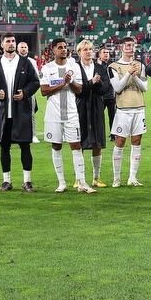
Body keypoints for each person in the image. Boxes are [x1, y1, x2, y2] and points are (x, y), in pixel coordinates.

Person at [0, 33, 40, 192]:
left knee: (25, 146)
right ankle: (6, 181)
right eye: (7, 41)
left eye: (13, 41)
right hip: (3, 114)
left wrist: (25, 92)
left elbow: (35, 82)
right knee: (4, 147)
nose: (11, 44)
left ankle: (27, 181)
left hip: (21, 111)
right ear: (2, 45)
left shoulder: (25, 63)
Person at [41, 38, 93, 193]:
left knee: (76, 146)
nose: (64, 49)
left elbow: (79, 90)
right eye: (60, 47)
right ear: (53, 50)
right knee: (56, 146)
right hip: (53, 115)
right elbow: (44, 91)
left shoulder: (74, 67)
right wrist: (62, 84)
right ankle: (61, 183)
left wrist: (70, 82)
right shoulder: (47, 68)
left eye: (65, 47)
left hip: (71, 113)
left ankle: (82, 183)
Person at [109, 36, 149, 186]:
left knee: (136, 141)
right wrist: (128, 73)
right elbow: (117, 88)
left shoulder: (140, 66)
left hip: (139, 108)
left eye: (133, 45)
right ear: (121, 47)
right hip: (123, 109)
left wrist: (134, 76)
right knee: (120, 142)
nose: (131, 48)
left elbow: (145, 87)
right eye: (128, 45)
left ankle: (132, 177)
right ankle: (117, 178)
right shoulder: (113, 66)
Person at [75, 40, 112, 188]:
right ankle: (79, 178)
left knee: (97, 141)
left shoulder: (100, 68)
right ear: (79, 53)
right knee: (80, 141)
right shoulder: (75, 68)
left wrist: (96, 83)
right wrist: (92, 82)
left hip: (97, 106)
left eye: (90, 49)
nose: (88, 51)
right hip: (80, 106)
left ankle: (96, 178)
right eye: (85, 49)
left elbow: (106, 89)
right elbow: (79, 89)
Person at [18, 41, 41, 143]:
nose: (23, 49)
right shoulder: (15, 60)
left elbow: (35, 77)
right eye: (21, 47)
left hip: (29, 91)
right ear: (18, 49)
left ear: (27, 49)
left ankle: (33, 134)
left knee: (31, 113)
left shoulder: (32, 61)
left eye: (25, 47)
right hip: (17, 91)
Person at [97, 46, 116, 138]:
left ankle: (113, 135)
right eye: (104, 52)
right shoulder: (96, 65)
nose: (106, 54)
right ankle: (100, 134)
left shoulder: (112, 65)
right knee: (99, 117)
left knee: (113, 116)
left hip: (111, 95)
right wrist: (100, 65)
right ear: (99, 54)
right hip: (101, 95)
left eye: (108, 52)